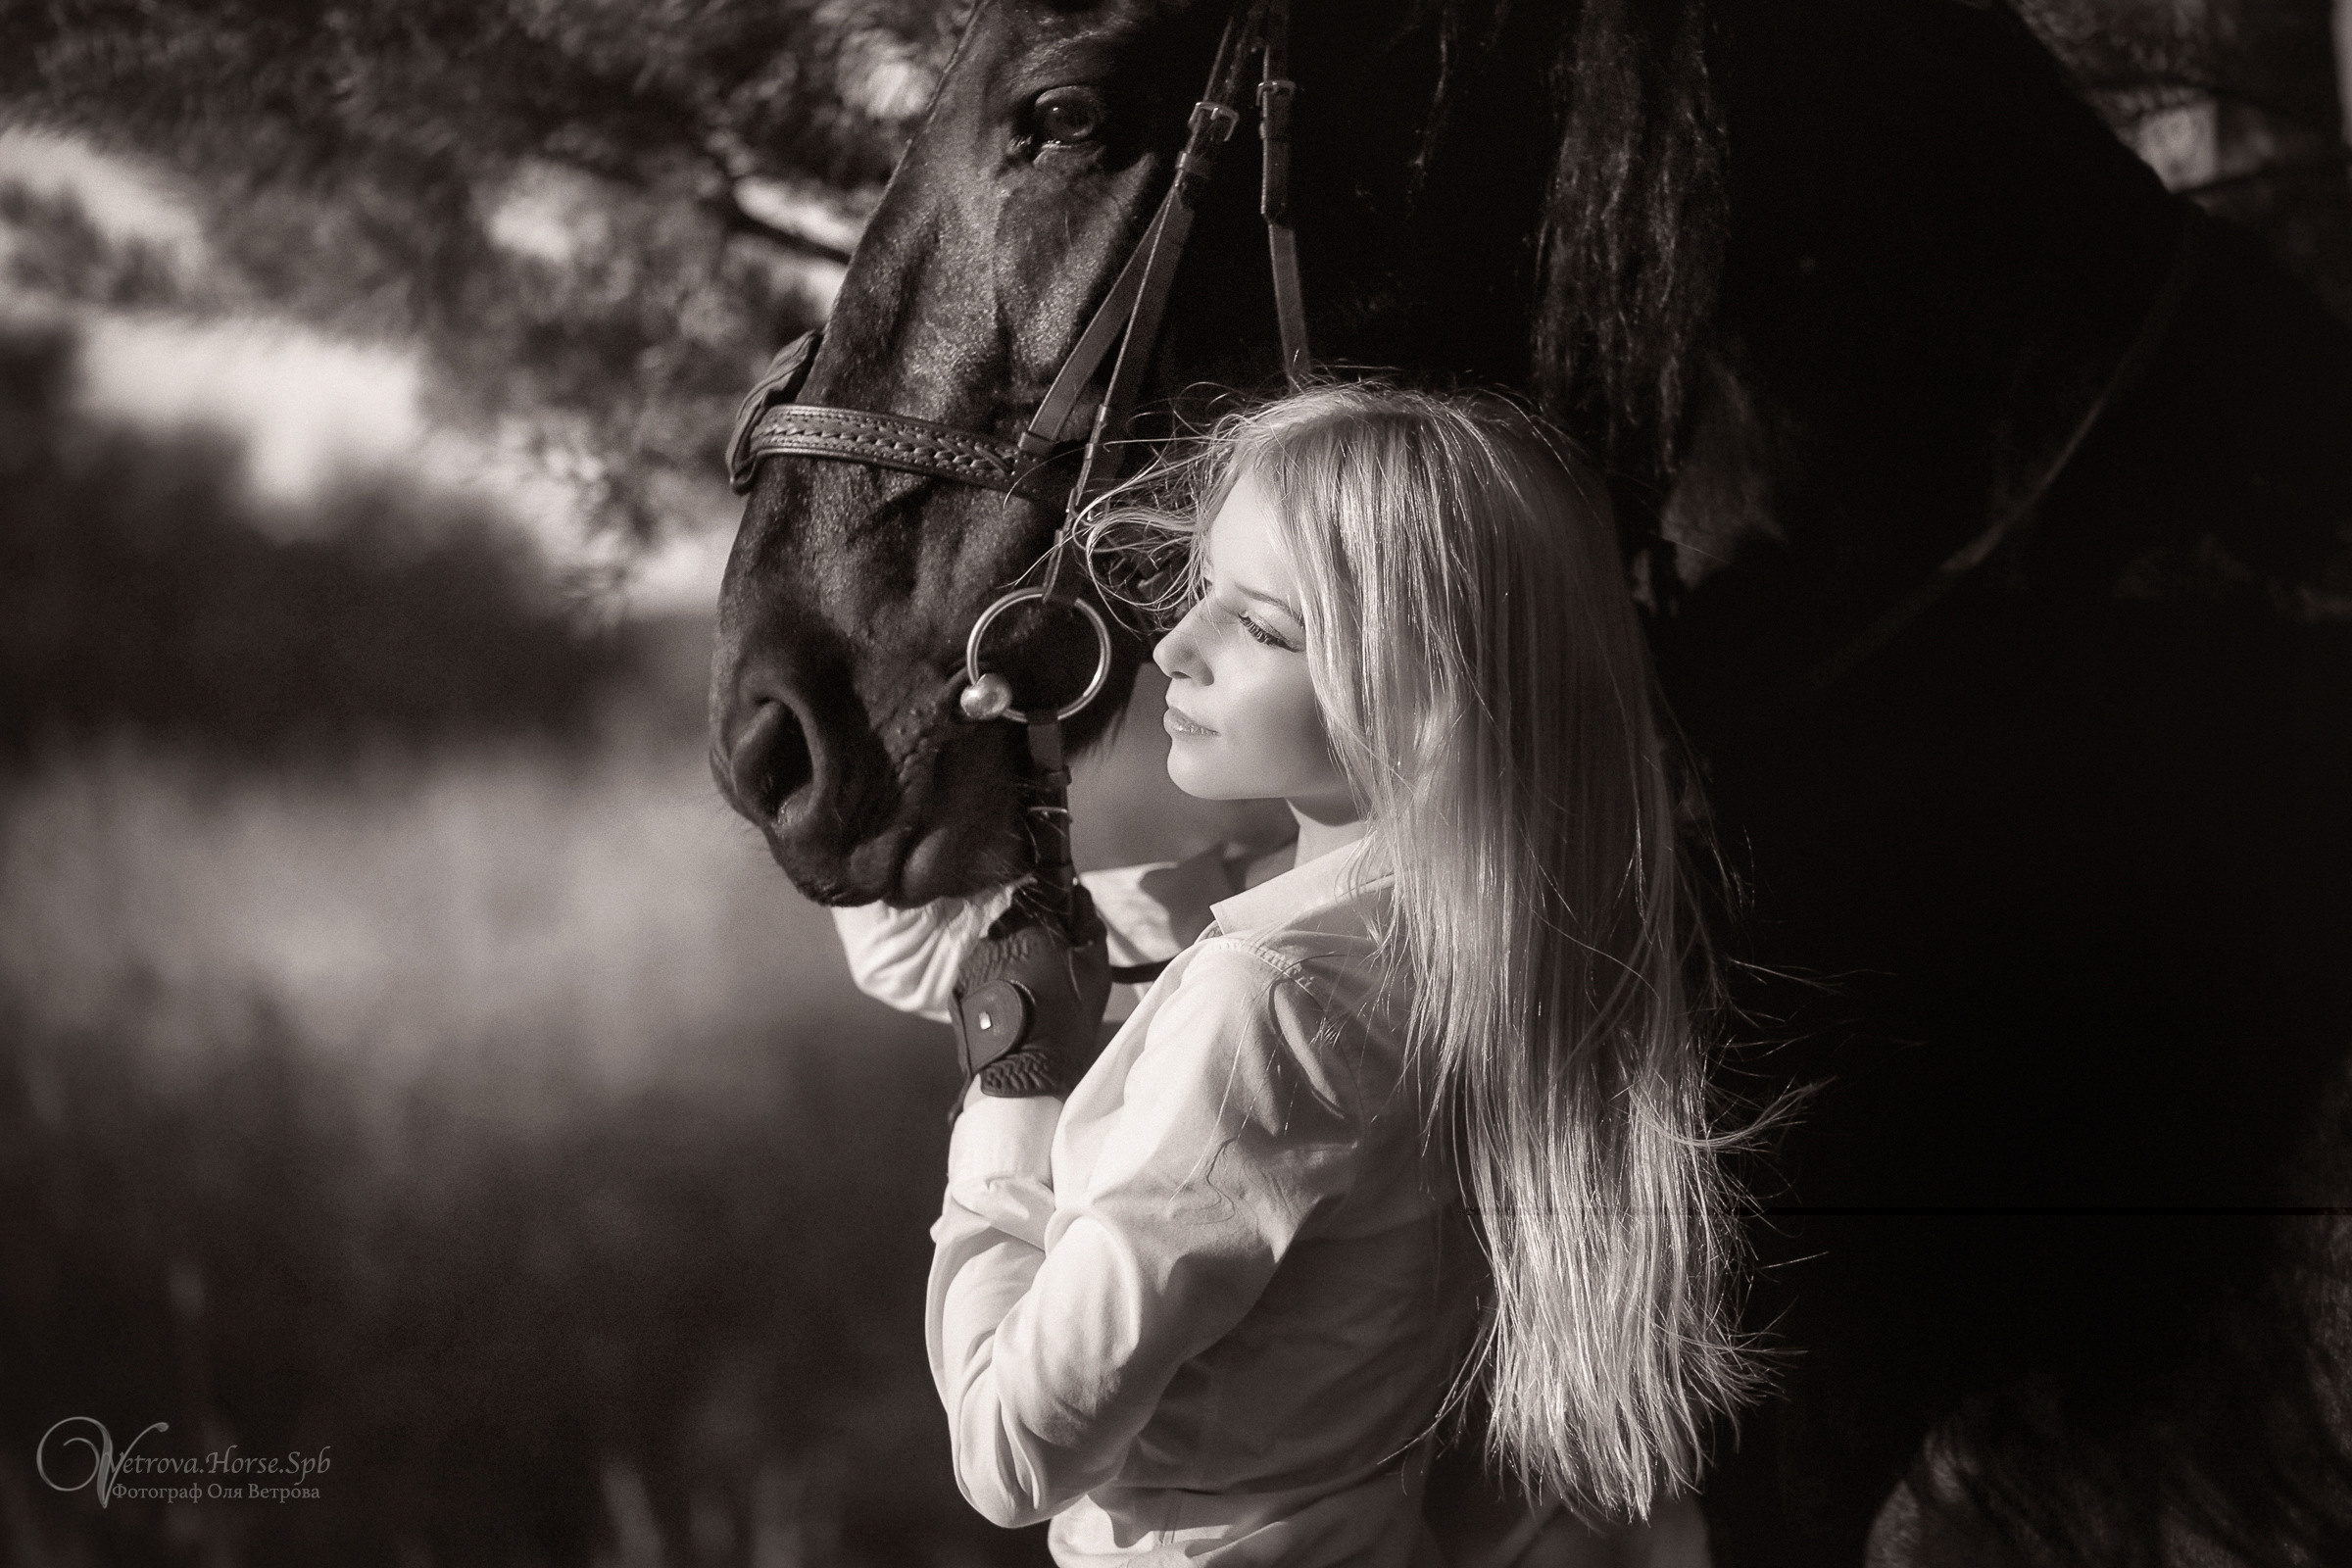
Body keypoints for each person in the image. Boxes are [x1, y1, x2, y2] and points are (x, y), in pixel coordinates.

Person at [832, 383, 1761, 1564]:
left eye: (1262, 627)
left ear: (1424, 699)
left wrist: (1018, 1084)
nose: (1174, 645)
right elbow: (931, 951)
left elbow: (1013, 1454)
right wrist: (944, 758)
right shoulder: (1489, 930)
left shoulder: (1269, 1000)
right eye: (1201, 589)